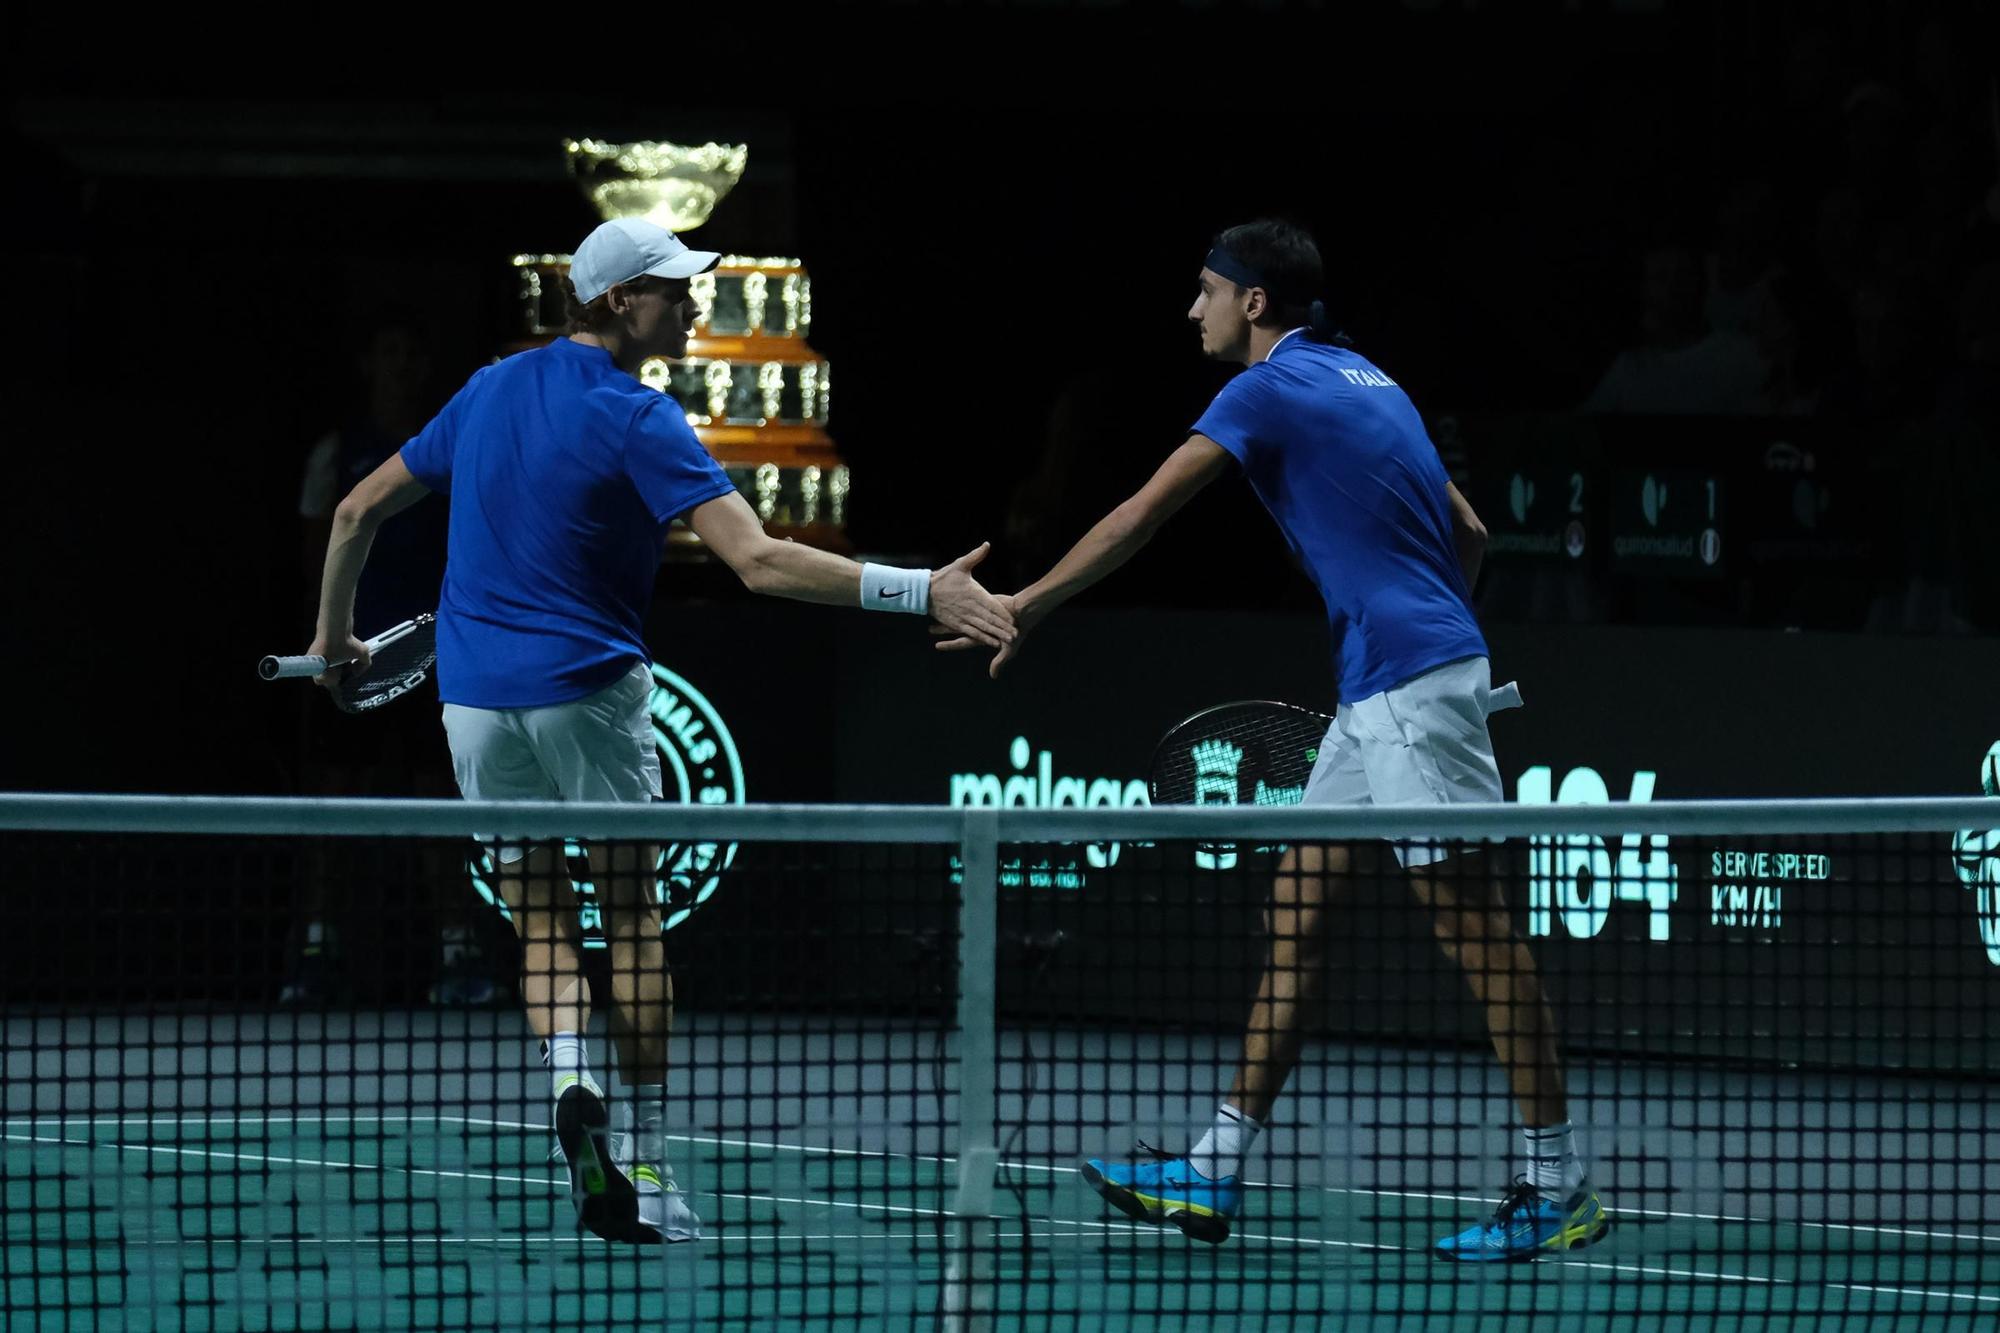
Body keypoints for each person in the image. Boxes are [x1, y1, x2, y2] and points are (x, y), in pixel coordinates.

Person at [303, 216, 1015, 1246]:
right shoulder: (642, 417)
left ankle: (571, 1081)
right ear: (613, 302)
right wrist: (921, 592)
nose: (688, 306)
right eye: (671, 291)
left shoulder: (486, 389)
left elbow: (355, 513)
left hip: (473, 705)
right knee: (630, 922)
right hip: (588, 693)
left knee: (539, 921)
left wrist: (336, 646)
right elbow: (760, 562)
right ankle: (641, 1160)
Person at [944, 218, 1608, 1261]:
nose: (1192, 308)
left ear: (1255, 303)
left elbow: (1140, 513)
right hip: (1392, 681)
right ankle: (1211, 1169)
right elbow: (1467, 533)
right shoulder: (1367, 379)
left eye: (1205, 290)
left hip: (1403, 688)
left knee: (1476, 934)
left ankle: (1552, 1179)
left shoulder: (1260, 388)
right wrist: (1426, 637)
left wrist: (1029, 601)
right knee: (1296, 907)